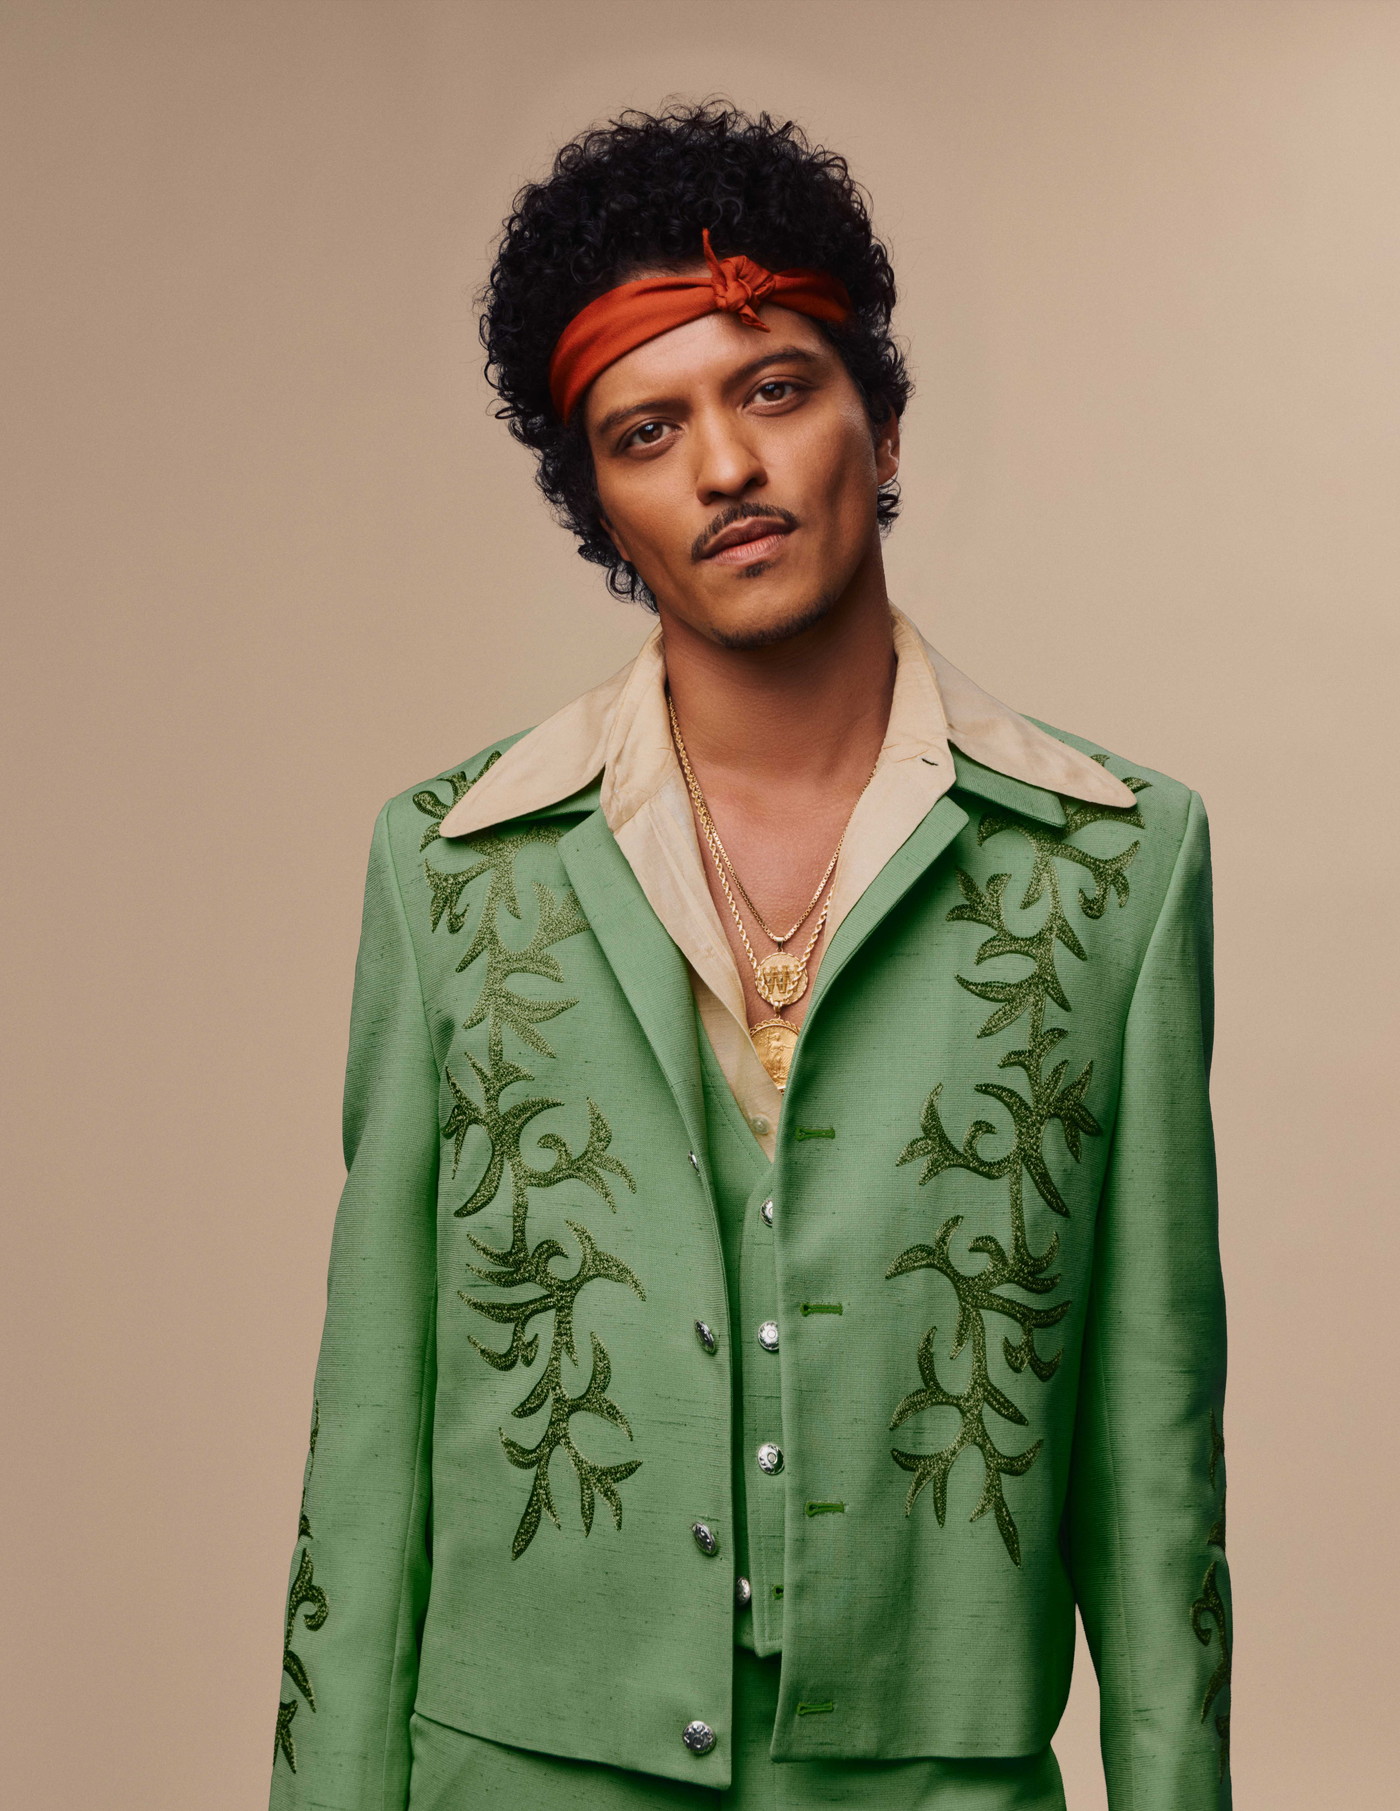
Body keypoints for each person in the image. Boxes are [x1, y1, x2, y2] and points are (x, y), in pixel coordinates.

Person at [269, 102, 1231, 1811]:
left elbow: (1155, 1466)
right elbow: (367, 1454)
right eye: (648, 431)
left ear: (880, 418)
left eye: (774, 390)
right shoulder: (455, 866)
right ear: (600, 505)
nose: (725, 467)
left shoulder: (1113, 862)